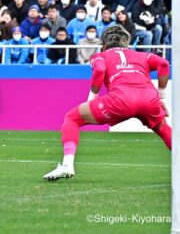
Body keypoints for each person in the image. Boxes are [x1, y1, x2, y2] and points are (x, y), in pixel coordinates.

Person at [44, 25, 171, 181]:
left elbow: (99, 70)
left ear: (103, 44)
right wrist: (162, 97)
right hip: (149, 99)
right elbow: (164, 64)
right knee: (163, 128)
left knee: (72, 118)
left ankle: (67, 165)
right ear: (127, 44)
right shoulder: (142, 55)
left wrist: (92, 98)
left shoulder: (100, 56)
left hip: (121, 100)